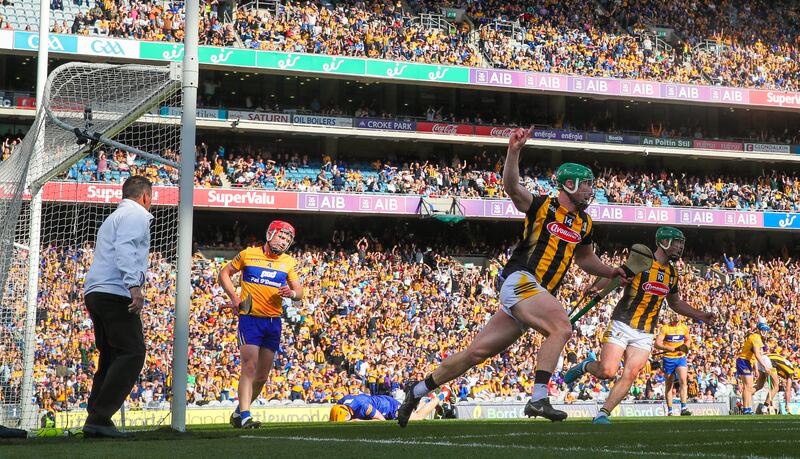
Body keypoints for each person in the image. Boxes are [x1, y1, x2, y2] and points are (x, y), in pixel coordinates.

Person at [397, 127, 630, 427]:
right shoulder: (543, 206)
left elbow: (585, 259)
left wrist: (611, 271)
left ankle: (416, 390)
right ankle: (538, 397)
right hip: (521, 280)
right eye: (585, 185)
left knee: (475, 354)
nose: (590, 190)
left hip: (534, 295)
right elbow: (512, 188)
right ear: (568, 184)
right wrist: (514, 151)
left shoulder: (584, 222)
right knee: (561, 326)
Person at [563, 227, 715, 425]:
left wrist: (700, 315)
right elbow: (614, 274)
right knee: (607, 372)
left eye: (681, 243)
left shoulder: (672, 274)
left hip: (646, 331)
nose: (680, 246)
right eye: (676, 242)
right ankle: (585, 366)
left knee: (631, 373)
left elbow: (675, 303)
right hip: (622, 322)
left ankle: (603, 414)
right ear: (664, 241)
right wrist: (594, 287)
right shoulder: (642, 260)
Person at [82, 175, 154, 438]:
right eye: (151, 198)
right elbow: (125, 249)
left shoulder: (113, 217)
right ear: (145, 196)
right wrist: (133, 285)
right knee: (133, 352)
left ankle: (95, 417)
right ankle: (100, 417)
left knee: (111, 356)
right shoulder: (136, 215)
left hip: (97, 291)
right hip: (115, 291)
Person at [219, 220, 303, 429]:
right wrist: (234, 298)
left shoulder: (288, 262)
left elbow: (299, 292)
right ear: (270, 234)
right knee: (249, 366)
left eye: (287, 240)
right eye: (281, 236)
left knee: (262, 376)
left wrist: (291, 293)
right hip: (250, 318)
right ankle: (247, 415)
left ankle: (239, 412)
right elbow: (224, 273)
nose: (283, 242)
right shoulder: (248, 254)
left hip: (273, 322)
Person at [656, 314, 693, 416]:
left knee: (683, 381)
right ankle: (670, 410)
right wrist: (667, 348)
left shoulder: (684, 327)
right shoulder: (665, 328)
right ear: (671, 316)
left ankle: (684, 408)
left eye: (678, 315)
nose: (677, 316)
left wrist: (685, 348)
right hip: (668, 358)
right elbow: (657, 343)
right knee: (669, 385)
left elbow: (688, 339)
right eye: (675, 314)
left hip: (680, 358)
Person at [329, 391, 444, 422]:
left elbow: (381, 420)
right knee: (413, 413)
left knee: (418, 418)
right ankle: (429, 400)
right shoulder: (340, 405)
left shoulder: (362, 406)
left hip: (389, 407)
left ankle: (443, 394)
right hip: (379, 401)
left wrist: (357, 420)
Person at [736, 321, 772, 415]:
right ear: (761, 330)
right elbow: (757, 354)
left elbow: (754, 356)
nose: (765, 332)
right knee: (747, 387)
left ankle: (747, 408)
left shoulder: (757, 338)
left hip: (748, 362)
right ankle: (746, 408)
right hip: (743, 361)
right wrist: (765, 367)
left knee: (749, 387)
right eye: (764, 330)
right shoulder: (756, 338)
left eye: (766, 331)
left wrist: (756, 369)